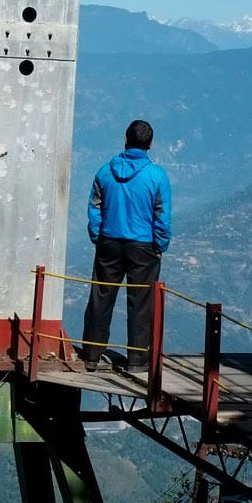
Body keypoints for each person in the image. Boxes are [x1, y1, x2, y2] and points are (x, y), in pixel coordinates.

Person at [81, 119, 172, 373]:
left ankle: (91, 355)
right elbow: (162, 216)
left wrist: (98, 236)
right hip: (143, 246)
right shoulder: (156, 176)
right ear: (150, 144)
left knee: (101, 297)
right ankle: (137, 361)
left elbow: (94, 207)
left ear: (125, 140)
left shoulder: (104, 172)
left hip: (109, 242)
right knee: (141, 302)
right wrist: (160, 244)